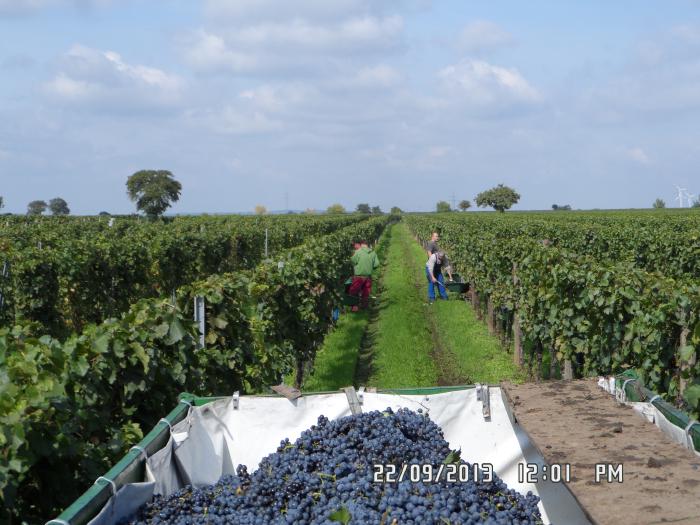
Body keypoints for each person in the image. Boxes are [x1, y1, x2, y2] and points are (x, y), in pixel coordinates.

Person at [349, 240, 379, 309]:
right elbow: (376, 264)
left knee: (353, 292)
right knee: (366, 293)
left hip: (359, 277)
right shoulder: (373, 252)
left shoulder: (358, 252)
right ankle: (364, 308)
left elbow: (352, 261)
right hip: (368, 277)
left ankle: (355, 308)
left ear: (361, 244)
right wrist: (370, 267)